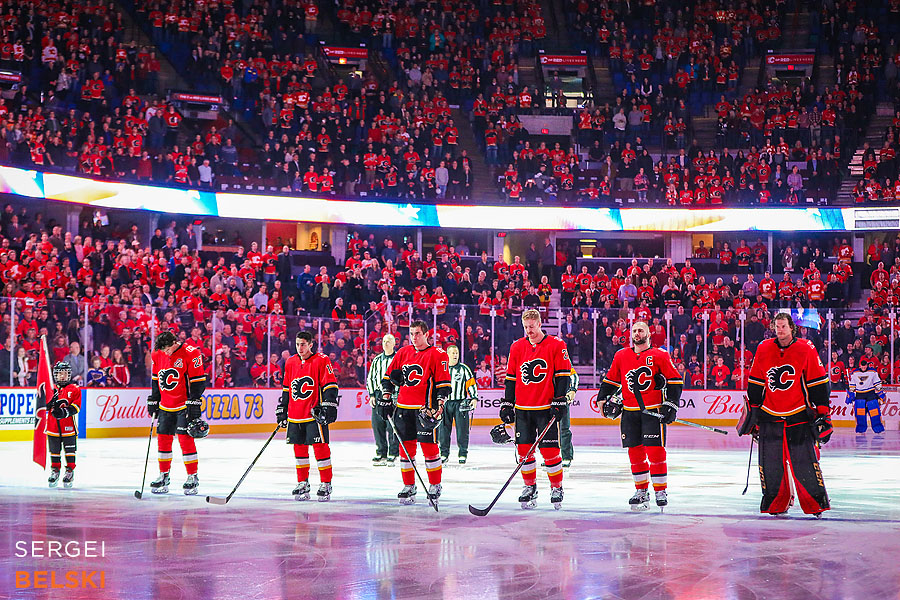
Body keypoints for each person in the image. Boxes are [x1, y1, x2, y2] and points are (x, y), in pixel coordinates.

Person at [739, 312, 832, 517]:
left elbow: (818, 383)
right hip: (769, 415)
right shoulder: (763, 348)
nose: (780, 330)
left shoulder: (805, 348)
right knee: (770, 463)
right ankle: (776, 503)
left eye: (784, 327)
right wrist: (754, 411)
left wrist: (823, 412)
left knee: (804, 461)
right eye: (777, 326)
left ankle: (815, 504)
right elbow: (755, 382)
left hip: (798, 414)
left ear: (792, 328)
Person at [595, 321, 683, 511]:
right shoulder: (621, 355)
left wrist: (671, 404)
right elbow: (610, 379)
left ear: (649, 334)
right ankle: (641, 491)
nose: (637, 333)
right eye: (634, 330)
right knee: (635, 454)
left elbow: (675, 380)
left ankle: (660, 491)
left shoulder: (660, 355)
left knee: (655, 452)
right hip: (629, 413)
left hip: (652, 412)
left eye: (640, 330)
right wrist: (602, 398)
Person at [500, 309, 572, 510]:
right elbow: (511, 378)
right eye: (526, 327)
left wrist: (559, 400)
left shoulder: (556, 345)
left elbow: (563, 375)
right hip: (523, 409)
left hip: (545, 408)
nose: (529, 331)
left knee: (550, 450)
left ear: (540, 324)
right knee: (524, 451)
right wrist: (507, 403)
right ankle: (529, 487)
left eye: (532, 327)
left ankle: (556, 487)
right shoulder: (517, 347)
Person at [378, 320, 451, 505]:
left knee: (430, 449)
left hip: (425, 410)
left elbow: (444, 385)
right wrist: (386, 397)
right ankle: (409, 485)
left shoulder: (437, 354)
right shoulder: (403, 352)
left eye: (418, 333)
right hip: (403, 409)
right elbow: (388, 378)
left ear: (427, 334)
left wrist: (439, 407)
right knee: (405, 449)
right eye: (411, 334)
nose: (414, 337)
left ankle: (435, 485)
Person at [276, 331, 339, 501]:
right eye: (297, 344)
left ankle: (326, 483)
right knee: (299, 448)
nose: (300, 348)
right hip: (295, 415)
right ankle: (303, 482)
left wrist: (329, 406)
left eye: (303, 344)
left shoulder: (321, 360)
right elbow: (287, 389)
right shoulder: (290, 362)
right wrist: (282, 408)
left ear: (311, 344)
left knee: (320, 448)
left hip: (313, 414)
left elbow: (330, 384)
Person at [146, 331, 207, 495]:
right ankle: (164, 475)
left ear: (174, 342)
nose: (165, 353)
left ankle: (192, 477)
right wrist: (154, 399)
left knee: (185, 440)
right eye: (163, 350)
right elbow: (155, 380)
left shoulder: (191, 353)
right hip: (166, 405)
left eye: (167, 349)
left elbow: (198, 381)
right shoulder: (157, 354)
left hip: (183, 405)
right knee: (163, 440)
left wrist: (194, 401)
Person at [439, 345, 478, 464]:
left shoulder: (464, 369)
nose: (455, 355)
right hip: (445, 403)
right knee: (443, 430)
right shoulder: (442, 369)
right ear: (447, 354)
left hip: (460, 403)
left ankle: (462, 453)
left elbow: (471, 384)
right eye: (453, 353)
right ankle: (444, 453)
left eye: (456, 353)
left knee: (462, 430)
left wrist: (474, 398)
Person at [365, 334, 399, 465]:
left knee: (392, 425)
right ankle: (381, 452)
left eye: (389, 341)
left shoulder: (398, 359)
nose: (386, 343)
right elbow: (370, 378)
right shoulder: (377, 360)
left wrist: (398, 395)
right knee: (377, 424)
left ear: (394, 343)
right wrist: (372, 395)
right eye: (384, 341)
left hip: (393, 395)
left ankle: (393, 452)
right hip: (379, 394)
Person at [46, 362, 81, 488]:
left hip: (69, 427)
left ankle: (70, 471)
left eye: (65, 373)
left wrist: (63, 412)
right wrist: (48, 404)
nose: (62, 376)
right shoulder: (50, 388)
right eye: (60, 373)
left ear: (69, 374)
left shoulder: (75, 389)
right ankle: (55, 470)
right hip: (52, 426)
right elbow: (42, 405)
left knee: (70, 451)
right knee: (54, 451)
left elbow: (76, 407)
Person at [845, 360, 884, 434]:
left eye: (865, 366)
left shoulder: (872, 371)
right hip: (860, 393)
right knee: (860, 413)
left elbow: (877, 381)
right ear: (860, 366)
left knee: (874, 411)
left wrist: (880, 391)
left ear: (867, 365)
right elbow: (852, 384)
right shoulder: (855, 372)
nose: (863, 367)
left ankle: (878, 428)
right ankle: (861, 429)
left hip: (871, 393)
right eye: (862, 366)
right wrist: (851, 393)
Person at [559, 367, 578, 468]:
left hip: (562, 398)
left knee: (564, 428)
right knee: (547, 428)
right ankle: (551, 456)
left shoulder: (563, 357)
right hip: (546, 397)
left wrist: (572, 390)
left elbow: (574, 376)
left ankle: (566, 456)